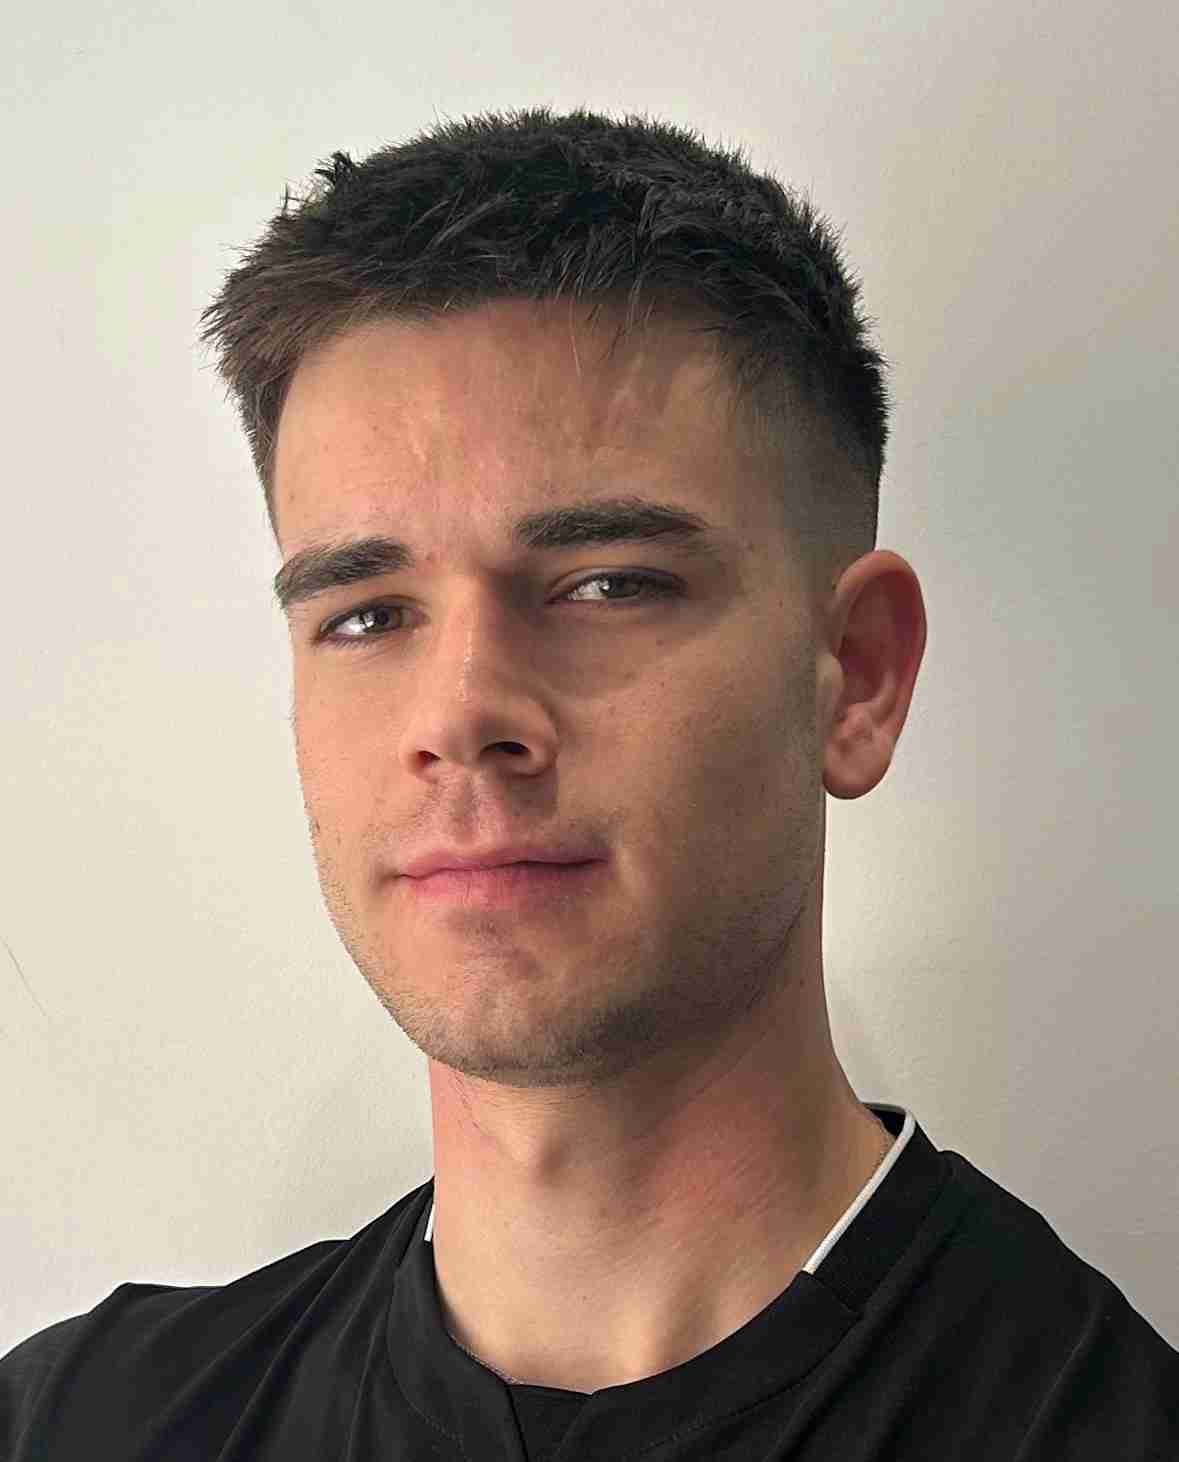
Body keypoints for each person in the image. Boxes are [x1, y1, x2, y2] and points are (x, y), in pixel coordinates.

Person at [3, 105, 1175, 1460]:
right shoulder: (82, 1423)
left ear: (856, 676)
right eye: (368, 613)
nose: (461, 714)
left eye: (608, 584)